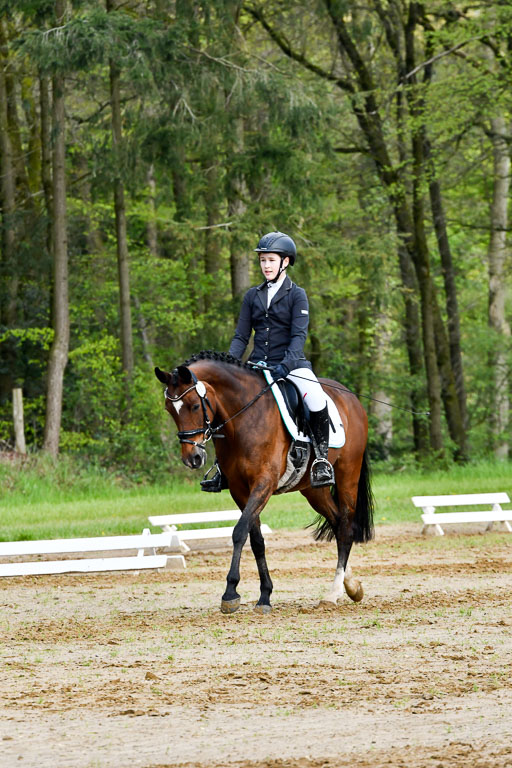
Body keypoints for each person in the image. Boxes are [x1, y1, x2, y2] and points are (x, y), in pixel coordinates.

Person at [227, 230, 335, 488]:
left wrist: (285, 365)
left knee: (317, 399)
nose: (265, 265)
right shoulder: (252, 296)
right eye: (263, 260)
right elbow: (241, 336)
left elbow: (298, 336)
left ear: (285, 262)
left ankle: (321, 461)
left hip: (291, 365)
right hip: (256, 367)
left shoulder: (297, 295)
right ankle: (223, 466)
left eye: (271, 260)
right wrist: (229, 364)